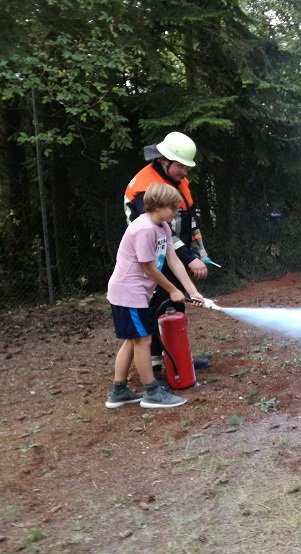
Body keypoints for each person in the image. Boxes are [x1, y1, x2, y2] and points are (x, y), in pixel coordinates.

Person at [106, 183, 204, 409]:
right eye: (173, 208)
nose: (176, 213)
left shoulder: (163, 227)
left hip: (137, 293)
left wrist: (191, 291)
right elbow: (149, 268)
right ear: (158, 206)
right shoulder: (144, 229)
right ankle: (152, 393)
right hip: (128, 293)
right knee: (143, 340)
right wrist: (172, 290)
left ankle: (118, 392)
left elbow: (173, 259)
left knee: (132, 340)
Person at [123, 131, 211, 381]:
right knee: (155, 308)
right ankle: (154, 367)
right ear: (164, 160)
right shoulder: (145, 187)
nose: (185, 171)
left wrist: (199, 253)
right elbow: (163, 232)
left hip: (172, 254)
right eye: (181, 166)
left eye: (187, 166)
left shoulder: (179, 181)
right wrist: (189, 258)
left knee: (176, 303)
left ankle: (178, 356)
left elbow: (189, 220)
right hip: (150, 260)